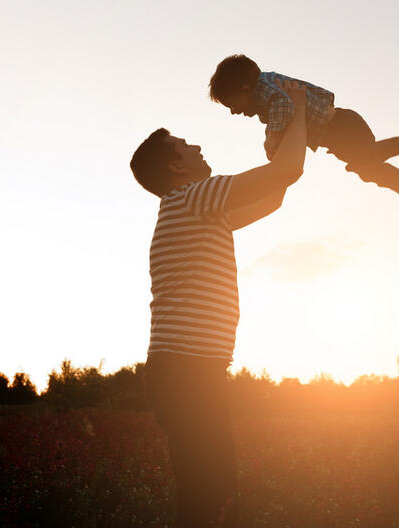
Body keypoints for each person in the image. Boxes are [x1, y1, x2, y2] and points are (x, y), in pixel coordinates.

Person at [130, 79, 309, 527]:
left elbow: (275, 193)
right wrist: (300, 113)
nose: (196, 146)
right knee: (209, 498)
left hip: (193, 371)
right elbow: (287, 173)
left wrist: (279, 139)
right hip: (185, 372)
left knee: (215, 494)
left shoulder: (201, 207)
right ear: (175, 166)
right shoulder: (193, 198)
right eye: (185, 145)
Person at [209, 53, 399, 222]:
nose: (233, 111)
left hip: (342, 127)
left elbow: (284, 105)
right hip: (338, 133)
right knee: (368, 167)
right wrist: (273, 138)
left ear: (246, 90)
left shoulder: (266, 89)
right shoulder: (267, 93)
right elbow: (283, 111)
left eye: (231, 104)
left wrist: (272, 137)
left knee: (367, 165)